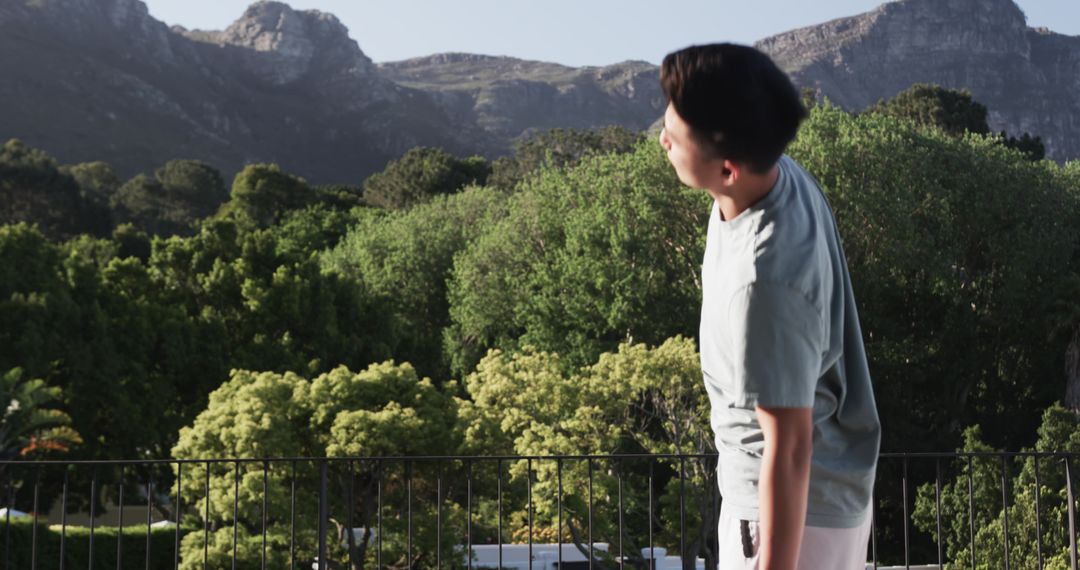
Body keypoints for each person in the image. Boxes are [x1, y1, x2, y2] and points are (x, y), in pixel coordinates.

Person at [658, 43, 882, 569]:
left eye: (676, 136)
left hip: (786, 516)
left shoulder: (766, 281)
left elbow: (791, 445)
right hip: (808, 501)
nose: (662, 139)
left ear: (729, 169)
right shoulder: (778, 173)